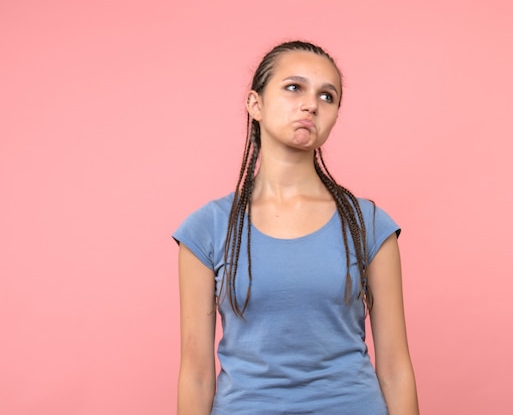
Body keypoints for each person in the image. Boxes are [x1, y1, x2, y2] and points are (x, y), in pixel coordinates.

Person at [173, 40, 419, 415]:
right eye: (294, 87)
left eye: (327, 96)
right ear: (255, 104)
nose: (311, 104)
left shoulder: (368, 224)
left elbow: (395, 369)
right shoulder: (207, 228)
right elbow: (196, 374)